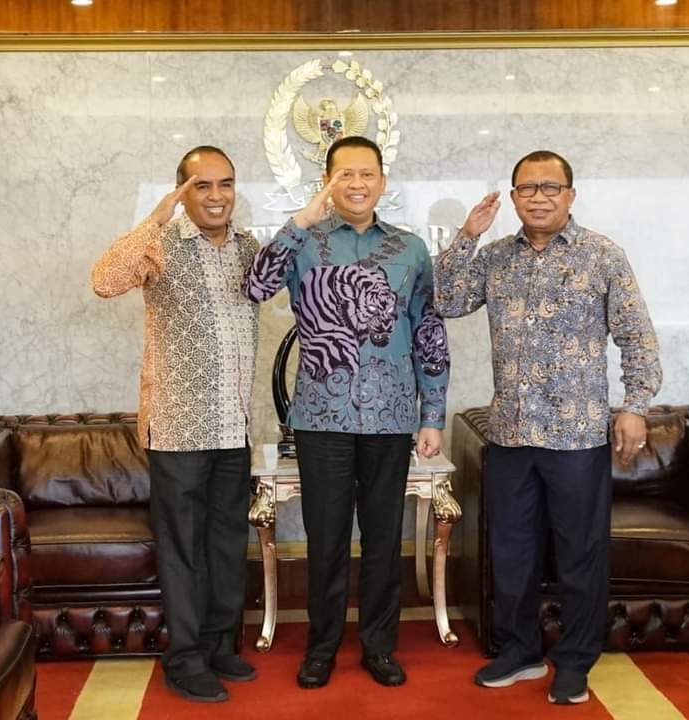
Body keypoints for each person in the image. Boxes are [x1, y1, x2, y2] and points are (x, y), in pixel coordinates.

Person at [435, 150, 661, 705]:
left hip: (576, 436)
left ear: (570, 195)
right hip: (510, 434)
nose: (538, 197)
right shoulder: (494, 259)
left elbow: (637, 335)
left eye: (550, 187)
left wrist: (635, 405)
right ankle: (520, 650)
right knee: (511, 552)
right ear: (513, 198)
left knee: (580, 552)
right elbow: (445, 300)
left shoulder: (602, 255)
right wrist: (467, 236)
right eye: (527, 188)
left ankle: (575, 661)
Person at [243, 136, 450, 689]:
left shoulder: (410, 249)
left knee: (383, 540)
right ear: (327, 182)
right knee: (326, 540)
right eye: (344, 175)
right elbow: (255, 286)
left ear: (382, 182)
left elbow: (428, 331)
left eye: (367, 174)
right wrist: (299, 221)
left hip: (391, 418)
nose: (357, 184)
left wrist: (432, 414)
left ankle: (380, 647)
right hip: (320, 418)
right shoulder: (304, 243)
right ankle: (322, 648)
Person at [91, 146, 259, 704]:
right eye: (201, 186)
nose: (216, 196)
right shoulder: (161, 243)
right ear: (182, 191)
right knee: (183, 549)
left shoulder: (248, 248)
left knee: (227, 544)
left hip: (233, 425)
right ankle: (184, 659)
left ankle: (218, 646)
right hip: (179, 428)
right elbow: (105, 280)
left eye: (225, 184)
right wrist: (157, 216)